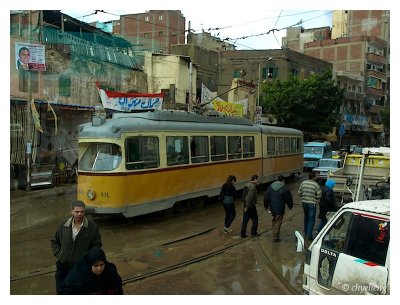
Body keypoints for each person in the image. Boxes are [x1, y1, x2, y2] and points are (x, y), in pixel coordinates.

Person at [51, 200, 102, 294]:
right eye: (77, 212)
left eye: (82, 212)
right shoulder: (63, 225)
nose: (79, 214)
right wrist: (59, 254)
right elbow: (55, 241)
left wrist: (86, 260)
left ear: (84, 211)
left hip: (80, 268)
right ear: (72, 211)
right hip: (63, 265)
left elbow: (97, 247)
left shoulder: (92, 227)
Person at [263, 175, 293, 242]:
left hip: (272, 207)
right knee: (278, 222)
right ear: (283, 180)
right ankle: (275, 237)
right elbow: (289, 199)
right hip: (280, 208)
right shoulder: (285, 188)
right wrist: (290, 206)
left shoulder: (270, 187)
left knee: (274, 220)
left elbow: (266, 197)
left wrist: (266, 206)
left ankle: (275, 233)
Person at [298, 172, 322, 241]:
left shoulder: (303, 183)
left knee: (306, 218)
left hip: (304, 203)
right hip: (312, 204)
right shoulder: (316, 185)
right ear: (314, 177)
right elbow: (319, 195)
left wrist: (304, 197)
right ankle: (309, 235)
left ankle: (305, 233)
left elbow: (299, 193)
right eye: (316, 176)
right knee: (311, 219)